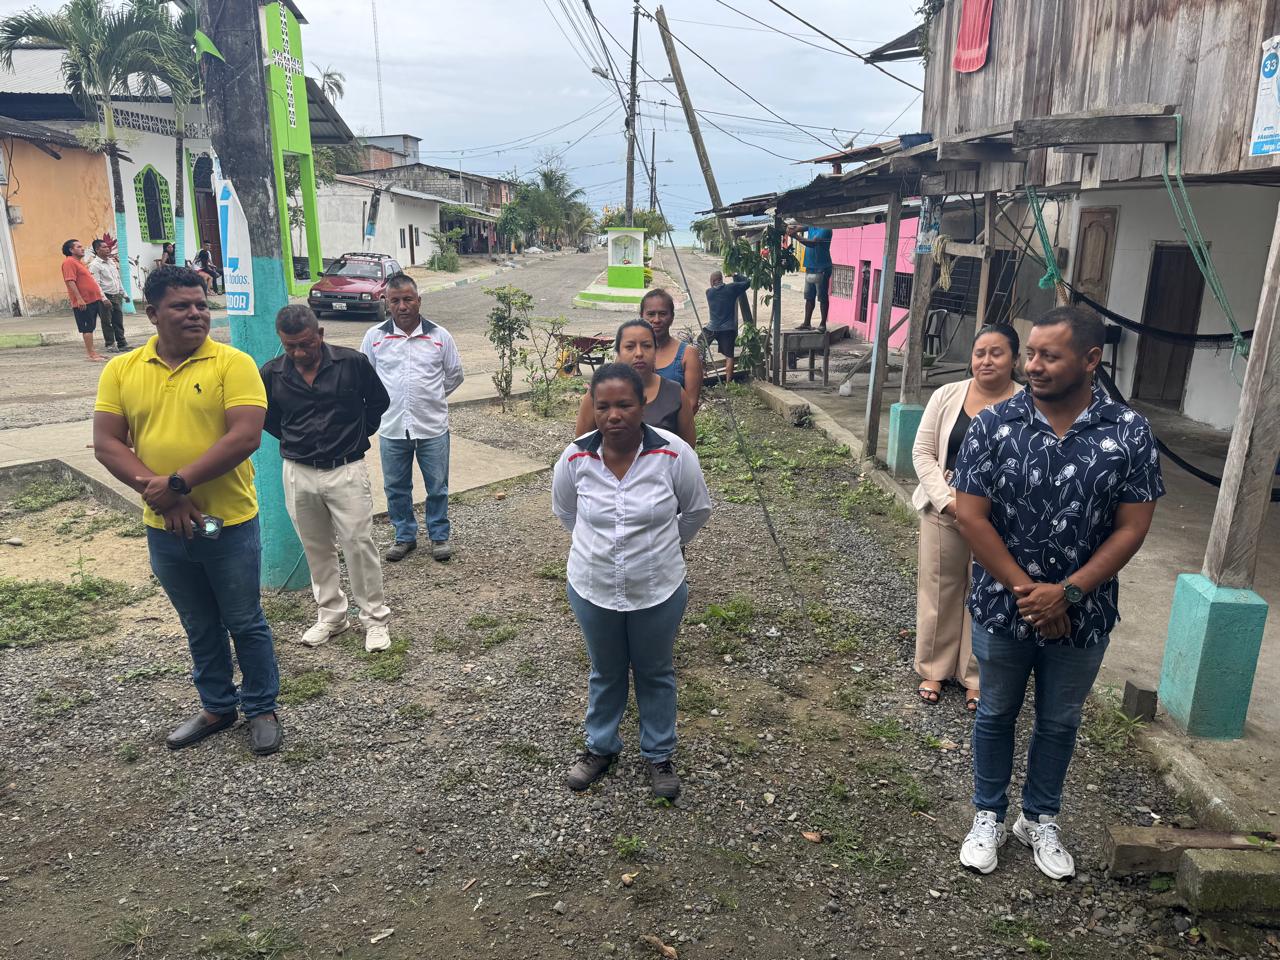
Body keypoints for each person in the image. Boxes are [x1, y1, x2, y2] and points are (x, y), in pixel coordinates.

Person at [951, 305, 1163, 880]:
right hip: (1004, 605)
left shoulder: (1128, 432)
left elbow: (1132, 527)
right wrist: (1032, 594)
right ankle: (988, 814)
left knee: (1060, 719)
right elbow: (971, 516)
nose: (1033, 366)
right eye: (1031, 354)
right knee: (995, 711)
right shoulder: (995, 425)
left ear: (1091, 360)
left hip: (1084, 612)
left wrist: (1067, 593)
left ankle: (1039, 817)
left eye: (1050, 355)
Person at [92, 265, 283, 756]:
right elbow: (107, 443)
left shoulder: (232, 364)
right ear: (152, 313)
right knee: (198, 623)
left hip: (228, 523)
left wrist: (178, 483)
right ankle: (217, 706)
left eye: (201, 304)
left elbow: (245, 436)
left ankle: (261, 707)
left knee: (244, 620)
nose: (196, 313)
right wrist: (164, 495)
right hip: (165, 525)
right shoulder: (122, 370)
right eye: (182, 305)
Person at [553, 363, 712, 799]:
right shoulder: (575, 458)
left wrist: (664, 546)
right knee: (605, 671)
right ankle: (600, 748)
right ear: (593, 408)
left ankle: (659, 753)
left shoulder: (674, 454)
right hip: (593, 587)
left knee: (655, 671)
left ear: (643, 405)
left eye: (624, 404)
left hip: (658, 587)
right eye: (603, 406)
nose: (614, 415)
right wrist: (600, 549)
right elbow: (566, 511)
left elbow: (696, 510)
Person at [261, 305, 394, 652]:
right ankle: (332, 616)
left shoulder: (352, 363)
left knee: (358, 543)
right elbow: (269, 417)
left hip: (346, 468)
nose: (299, 353)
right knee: (315, 546)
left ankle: (374, 619)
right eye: (290, 346)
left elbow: (378, 402)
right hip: (298, 471)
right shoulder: (272, 373)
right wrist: (296, 441)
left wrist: (357, 436)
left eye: (306, 344)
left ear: (320, 334)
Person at [911, 325, 1021, 711]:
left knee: (986, 592)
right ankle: (934, 668)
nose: (986, 360)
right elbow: (923, 452)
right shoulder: (947, 395)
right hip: (944, 510)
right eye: (979, 353)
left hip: (997, 519)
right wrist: (949, 502)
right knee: (939, 588)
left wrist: (983, 509)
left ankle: (975, 675)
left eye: (997, 353)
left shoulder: (1028, 405)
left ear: (1015, 360)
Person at [361, 272, 464, 563]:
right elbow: (366, 377)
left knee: (437, 486)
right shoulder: (375, 338)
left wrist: (432, 397)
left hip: (432, 426)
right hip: (392, 426)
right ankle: (404, 536)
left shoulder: (440, 336)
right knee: (396, 487)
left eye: (408, 299)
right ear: (386, 302)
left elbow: (455, 374)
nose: (402, 306)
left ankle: (439, 535)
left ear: (419, 300)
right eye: (395, 301)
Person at [574, 319, 695, 446]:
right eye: (629, 347)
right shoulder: (598, 393)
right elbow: (582, 445)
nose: (639, 353)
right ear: (618, 352)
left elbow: (687, 448)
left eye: (646, 346)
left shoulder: (675, 393)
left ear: (656, 350)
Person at [644, 288, 702, 414]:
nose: (656, 320)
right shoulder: (629, 354)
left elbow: (691, 404)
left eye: (663, 314)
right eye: (651, 314)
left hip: (674, 425)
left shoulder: (688, 354)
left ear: (672, 317)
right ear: (641, 316)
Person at [61, 238, 108, 361]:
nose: (82, 249)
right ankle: (91, 354)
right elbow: (70, 281)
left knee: (91, 327)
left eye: (81, 246)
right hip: (84, 301)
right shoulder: (69, 262)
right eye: (78, 247)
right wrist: (79, 299)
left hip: (93, 300)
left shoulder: (79, 263)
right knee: (87, 328)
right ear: (71, 250)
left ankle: (94, 352)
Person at [702, 271, 751, 383]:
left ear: (712, 281)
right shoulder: (732, 288)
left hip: (712, 328)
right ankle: (729, 383)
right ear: (721, 279)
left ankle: (703, 371)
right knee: (729, 356)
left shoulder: (709, 292)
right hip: (728, 329)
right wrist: (736, 275)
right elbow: (749, 282)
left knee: (700, 346)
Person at [786, 223, 833, 331]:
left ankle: (823, 324)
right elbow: (800, 227)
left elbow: (813, 243)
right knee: (809, 296)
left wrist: (796, 236)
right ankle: (807, 323)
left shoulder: (826, 228)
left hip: (821, 267)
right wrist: (791, 228)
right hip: (810, 266)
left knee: (822, 297)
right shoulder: (812, 224)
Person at [87, 239, 129, 353]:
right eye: (104, 247)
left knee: (118, 320)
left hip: (116, 295)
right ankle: (110, 344)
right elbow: (96, 284)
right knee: (107, 322)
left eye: (107, 247)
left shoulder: (111, 262)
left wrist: (124, 294)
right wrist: (104, 299)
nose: (107, 249)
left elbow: (117, 279)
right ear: (97, 250)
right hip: (105, 296)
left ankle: (122, 343)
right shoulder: (95, 265)